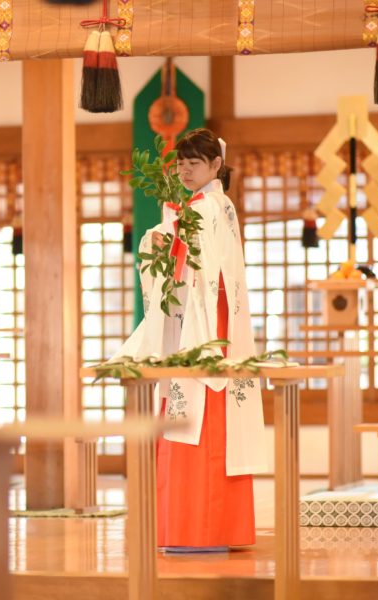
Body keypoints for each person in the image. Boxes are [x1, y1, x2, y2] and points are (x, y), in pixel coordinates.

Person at [112, 128, 268, 551]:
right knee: (204, 425)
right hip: (210, 323)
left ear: (216, 166)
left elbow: (198, 268)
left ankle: (195, 531)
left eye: (193, 163)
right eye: (180, 163)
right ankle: (216, 530)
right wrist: (169, 235)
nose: (184, 170)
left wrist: (167, 238)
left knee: (195, 424)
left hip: (203, 327)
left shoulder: (208, 206)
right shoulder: (218, 205)